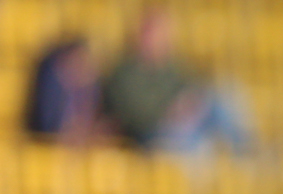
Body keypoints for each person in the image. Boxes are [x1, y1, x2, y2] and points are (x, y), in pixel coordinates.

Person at [102, 8, 252, 155]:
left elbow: (191, 87)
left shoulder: (172, 66)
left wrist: (190, 102)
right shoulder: (124, 73)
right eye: (154, 34)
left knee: (223, 95)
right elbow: (137, 116)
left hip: (182, 124)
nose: (159, 39)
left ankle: (246, 152)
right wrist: (172, 110)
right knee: (194, 144)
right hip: (152, 135)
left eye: (163, 34)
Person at [24, 37, 108, 145]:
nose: (82, 66)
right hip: (49, 144)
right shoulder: (52, 87)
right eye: (77, 60)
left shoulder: (91, 88)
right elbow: (47, 124)